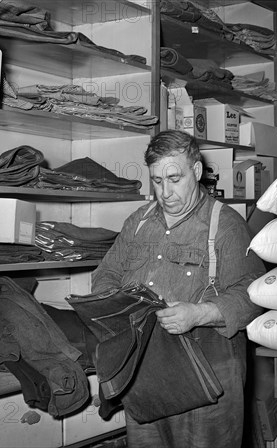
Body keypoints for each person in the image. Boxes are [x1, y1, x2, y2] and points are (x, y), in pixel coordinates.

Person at [91, 129, 265, 448]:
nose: (166, 192)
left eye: (174, 178)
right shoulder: (138, 222)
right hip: (145, 373)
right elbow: (106, 273)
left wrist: (198, 314)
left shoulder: (225, 225)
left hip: (208, 377)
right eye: (157, 181)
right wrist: (115, 304)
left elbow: (252, 294)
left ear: (196, 172)